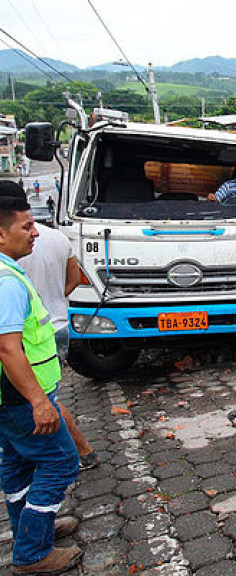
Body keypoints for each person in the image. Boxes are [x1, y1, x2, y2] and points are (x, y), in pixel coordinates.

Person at [0, 186, 81, 574]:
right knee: (62, 462)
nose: (35, 232)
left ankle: (29, 529)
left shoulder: (8, 273)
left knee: (17, 466)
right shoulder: (7, 283)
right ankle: (33, 551)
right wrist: (39, 401)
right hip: (20, 398)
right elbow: (8, 349)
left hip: (9, 398)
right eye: (27, 226)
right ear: (1, 234)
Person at [17, 221, 100, 472]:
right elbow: (73, 279)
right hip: (58, 325)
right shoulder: (57, 237)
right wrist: (53, 301)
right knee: (44, 396)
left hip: (28, 335)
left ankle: (80, 451)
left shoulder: (12, 252)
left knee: (43, 399)